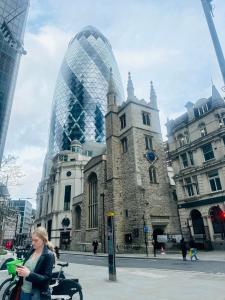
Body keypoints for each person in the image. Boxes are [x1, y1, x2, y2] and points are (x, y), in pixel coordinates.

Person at [15, 226, 55, 300]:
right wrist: (20, 270)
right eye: (32, 240)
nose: (33, 243)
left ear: (43, 240)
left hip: (35, 295)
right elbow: (26, 269)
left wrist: (29, 274)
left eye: (36, 240)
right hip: (23, 291)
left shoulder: (48, 255)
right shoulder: (31, 251)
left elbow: (47, 279)